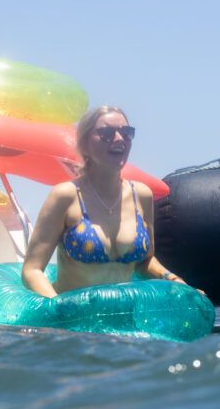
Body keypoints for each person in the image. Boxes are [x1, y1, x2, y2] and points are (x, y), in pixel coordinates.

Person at [22, 106, 191, 298]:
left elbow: (144, 262)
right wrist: (57, 307)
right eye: (107, 133)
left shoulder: (141, 195)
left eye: (126, 132)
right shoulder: (66, 196)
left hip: (122, 318)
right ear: (84, 144)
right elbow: (32, 270)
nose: (119, 138)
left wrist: (174, 281)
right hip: (73, 319)